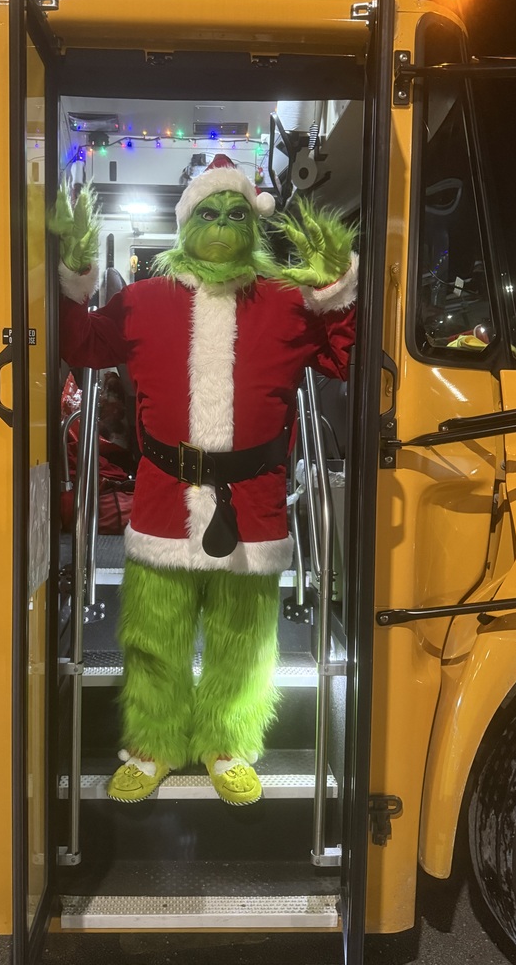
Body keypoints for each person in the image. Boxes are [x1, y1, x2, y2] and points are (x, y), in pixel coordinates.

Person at [53, 155, 357, 805]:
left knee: (243, 645)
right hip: (164, 499)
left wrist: (337, 285)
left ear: (254, 224)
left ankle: (229, 745)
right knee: (153, 638)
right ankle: (154, 745)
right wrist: (74, 277)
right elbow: (81, 345)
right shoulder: (142, 299)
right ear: (186, 222)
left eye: (236, 212)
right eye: (210, 212)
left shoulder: (286, 301)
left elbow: (346, 353)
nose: (222, 223)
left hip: (253, 503)